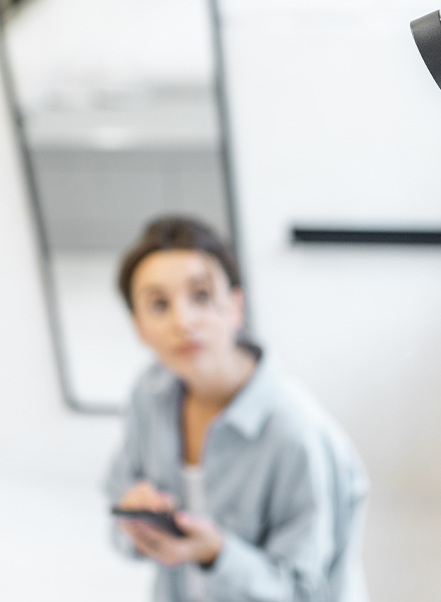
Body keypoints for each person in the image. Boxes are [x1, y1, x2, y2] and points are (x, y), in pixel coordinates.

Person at [105, 216, 368, 602]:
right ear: (139, 327)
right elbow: (118, 512)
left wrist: (217, 554)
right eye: (159, 304)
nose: (183, 321)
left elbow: (307, 593)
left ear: (236, 306)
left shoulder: (296, 431)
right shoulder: (149, 395)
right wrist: (136, 519)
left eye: (201, 296)